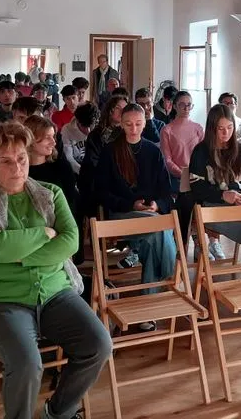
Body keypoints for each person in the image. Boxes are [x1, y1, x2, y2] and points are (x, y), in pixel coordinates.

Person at [0, 122, 111, 419]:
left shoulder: (51, 193)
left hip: (55, 293)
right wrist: (44, 233)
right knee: (27, 364)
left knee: (98, 345)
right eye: (5, 161)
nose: (17, 167)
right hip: (0, 300)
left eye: (21, 158)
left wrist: (16, 253)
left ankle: (58, 412)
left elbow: (70, 242)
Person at [95, 103, 176, 329]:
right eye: (128, 124)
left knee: (153, 237)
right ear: (121, 124)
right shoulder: (110, 151)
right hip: (121, 214)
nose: (133, 129)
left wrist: (157, 205)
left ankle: (147, 309)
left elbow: (166, 192)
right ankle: (170, 276)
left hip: (151, 217)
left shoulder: (153, 151)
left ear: (145, 123)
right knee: (160, 227)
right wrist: (131, 204)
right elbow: (101, 192)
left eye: (138, 124)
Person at [189, 104, 241, 270]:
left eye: (230, 127)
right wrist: (223, 195)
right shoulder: (201, 151)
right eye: (221, 128)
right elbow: (197, 187)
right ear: (212, 128)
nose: (226, 132)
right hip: (213, 209)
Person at [159, 91, 218, 257]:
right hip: (177, 178)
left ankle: (202, 240)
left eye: (189, 104)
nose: (186, 108)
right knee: (185, 201)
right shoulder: (167, 130)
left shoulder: (198, 128)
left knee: (205, 197)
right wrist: (183, 174)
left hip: (198, 177)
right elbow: (167, 160)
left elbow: (206, 155)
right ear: (174, 106)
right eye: (182, 105)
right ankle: (183, 243)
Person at [24, 115, 81, 261]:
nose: (53, 142)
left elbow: (71, 205)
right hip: (28, 232)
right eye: (47, 137)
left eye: (53, 136)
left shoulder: (61, 167)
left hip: (59, 230)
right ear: (31, 140)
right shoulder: (20, 171)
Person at [77, 95, 126, 223]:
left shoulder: (127, 133)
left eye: (125, 108)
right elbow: (92, 162)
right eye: (118, 108)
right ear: (110, 110)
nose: (122, 111)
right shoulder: (96, 134)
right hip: (98, 179)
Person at [62, 102, 99, 175]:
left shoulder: (100, 127)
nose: (88, 131)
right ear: (77, 121)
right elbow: (68, 157)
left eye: (91, 126)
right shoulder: (67, 129)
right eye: (84, 126)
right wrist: (83, 173)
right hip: (76, 169)